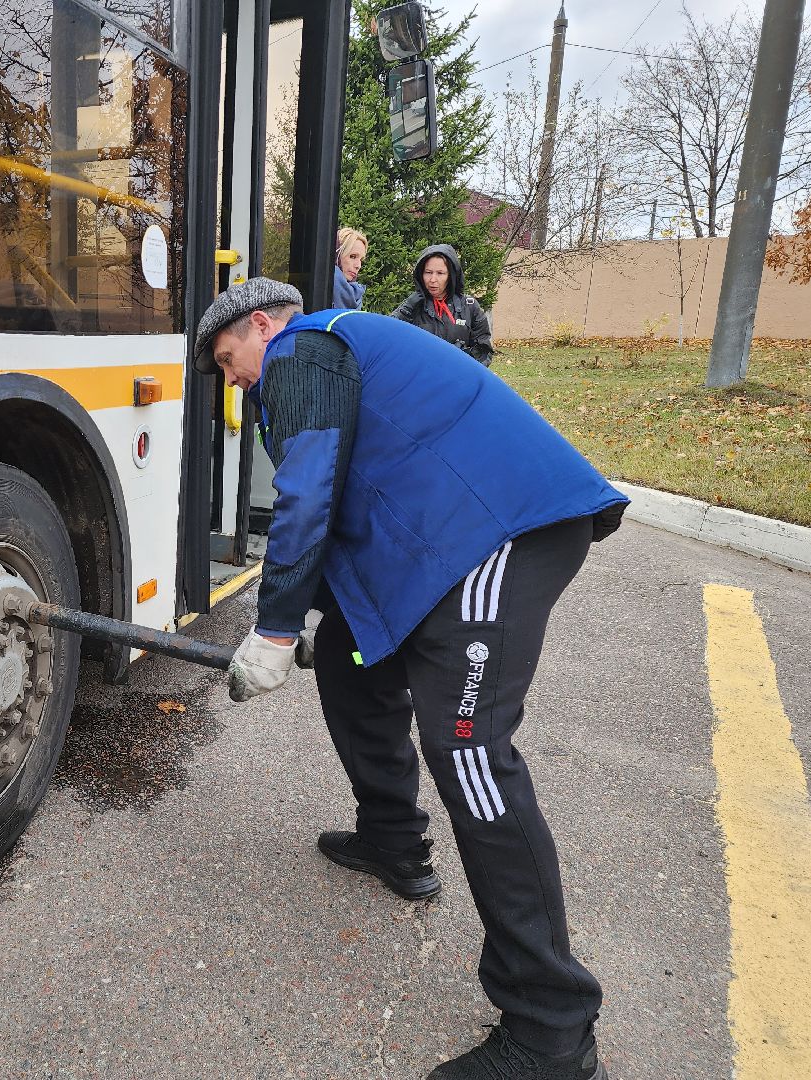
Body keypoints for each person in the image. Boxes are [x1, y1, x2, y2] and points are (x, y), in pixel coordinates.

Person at [193, 277, 625, 1080]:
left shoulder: (303, 348)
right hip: (446, 548)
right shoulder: (324, 353)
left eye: (228, 360)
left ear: (259, 325)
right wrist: (315, 624)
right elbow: (349, 504)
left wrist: (277, 624)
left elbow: (307, 494)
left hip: (496, 535)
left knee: (467, 751)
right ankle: (395, 843)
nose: (234, 378)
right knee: (352, 667)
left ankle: (552, 1028)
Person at [391, 243, 494, 367]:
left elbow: (484, 350)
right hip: (420, 379)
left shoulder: (469, 306)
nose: (433, 279)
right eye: (428, 272)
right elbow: (387, 336)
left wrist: (463, 358)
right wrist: (406, 310)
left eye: (440, 273)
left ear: (451, 276)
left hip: (457, 379)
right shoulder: (412, 305)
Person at [332, 228, 369, 310]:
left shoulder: (356, 294)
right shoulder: (321, 286)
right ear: (337, 255)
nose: (358, 265)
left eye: (361, 260)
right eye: (352, 256)